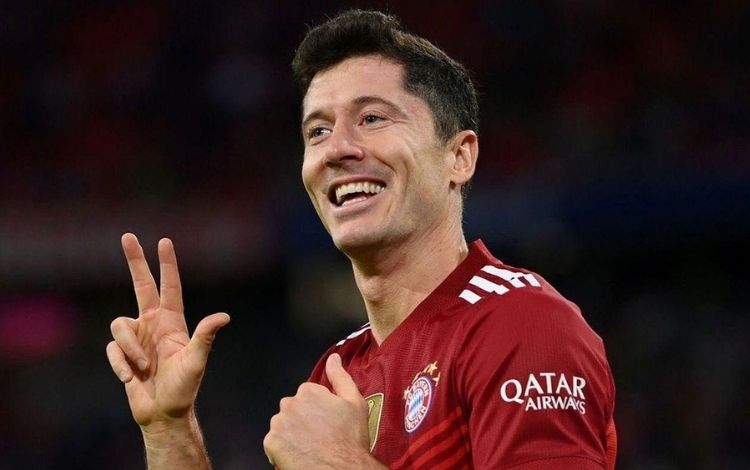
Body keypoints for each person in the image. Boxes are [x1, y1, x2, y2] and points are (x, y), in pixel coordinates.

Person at [106, 9, 617, 470]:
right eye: (318, 131)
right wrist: (169, 428)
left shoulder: (520, 324)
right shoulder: (338, 375)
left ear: (459, 157)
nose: (337, 149)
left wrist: (341, 464)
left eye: (372, 118)